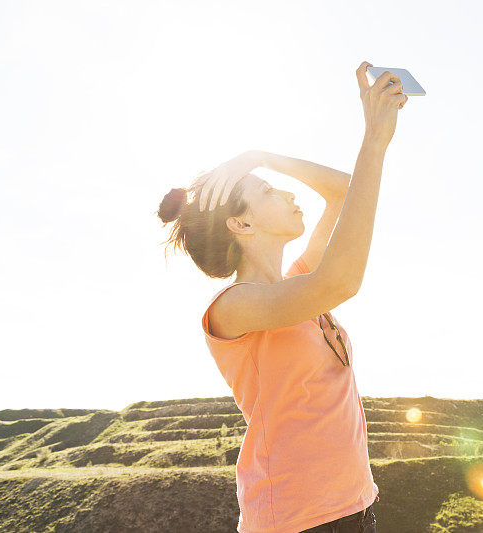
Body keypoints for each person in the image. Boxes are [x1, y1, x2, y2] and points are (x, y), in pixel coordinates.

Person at [156, 61, 407, 533]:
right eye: (270, 193)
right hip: (296, 521)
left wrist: (260, 157)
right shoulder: (232, 308)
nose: (291, 196)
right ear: (242, 224)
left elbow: (342, 192)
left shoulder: (298, 279)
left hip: (355, 508)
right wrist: (374, 140)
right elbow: (340, 282)